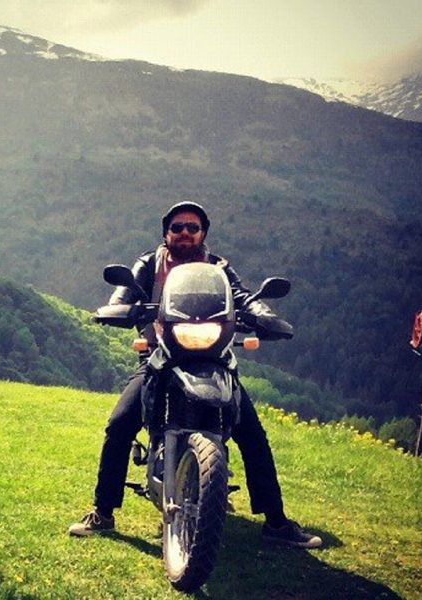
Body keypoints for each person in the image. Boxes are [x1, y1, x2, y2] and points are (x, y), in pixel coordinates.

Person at [68, 201, 322, 548]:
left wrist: (262, 314)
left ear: (203, 234)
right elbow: (125, 293)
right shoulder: (149, 264)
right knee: (120, 424)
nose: (184, 233)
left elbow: (243, 296)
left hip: (213, 357)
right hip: (160, 355)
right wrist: (119, 308)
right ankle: (103, 511)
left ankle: (276, 522)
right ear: (166, 233)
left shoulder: (218, 267)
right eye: (177, 227)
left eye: (192, 227)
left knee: (252, 434)